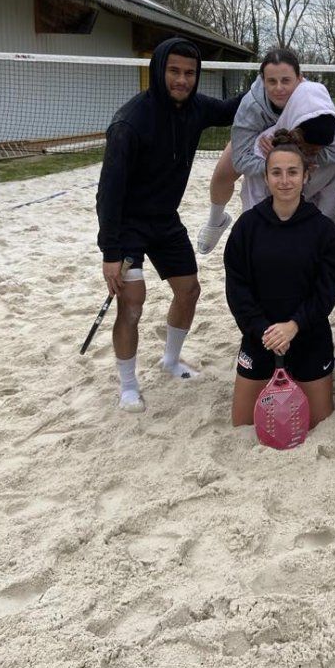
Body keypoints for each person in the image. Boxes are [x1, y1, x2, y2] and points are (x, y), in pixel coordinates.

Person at [96, 37, 243, 413]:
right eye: (174, 71)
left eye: (189, 73)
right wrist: (110, 254)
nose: (182, 80)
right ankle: (128, 385)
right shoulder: (130, 122)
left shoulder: (195, 108)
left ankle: (170, 360)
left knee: (189, 291)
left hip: (165, 221)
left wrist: (273, 79)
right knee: (132, 304)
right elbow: (108, 195)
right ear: (159, 70)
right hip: (127, 225)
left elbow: (231, 109)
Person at [224, 131, 335, 428]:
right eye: (276, 172)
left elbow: (326, 292)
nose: (285, 180)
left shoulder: (322, 229)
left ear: (305, 176)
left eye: (293, 172)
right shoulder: (246, 227)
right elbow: (237, 290)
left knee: (318, 422)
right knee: (242, 423)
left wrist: (295, 325)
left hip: (308, 335)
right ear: (265, 178)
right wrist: (263, 330)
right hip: (260, 336)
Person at [197, 49, 304, 253]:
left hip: (295, 140)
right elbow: (240, 160)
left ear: (299, 79)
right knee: (222, 174)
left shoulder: (311, 97)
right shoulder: (251, 105)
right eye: (272, 81)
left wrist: (289, 157)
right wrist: (273, 164)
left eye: (286, 80)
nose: (279, 88)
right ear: (263, 80)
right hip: (256, 137)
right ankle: (216, 220)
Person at [239, 78, 335, 220]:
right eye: (306, 148)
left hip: (309, 215)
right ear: (295, 132)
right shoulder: (266, 144)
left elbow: (330, 200)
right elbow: (255, 196)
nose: (310, 154)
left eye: (317, 151)